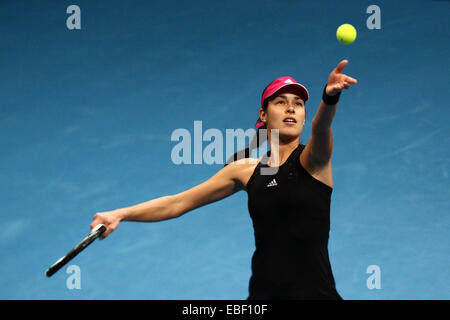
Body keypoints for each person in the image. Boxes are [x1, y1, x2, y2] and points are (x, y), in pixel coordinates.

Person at [90, 59, 358, 300]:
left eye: (298, 104)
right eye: (280, 102)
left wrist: (329, 98)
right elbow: (178, 203)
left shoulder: (313, 162)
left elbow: (321, 127)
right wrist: (120, 214)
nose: (291, 108)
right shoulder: (245, 170)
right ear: (263, 115)